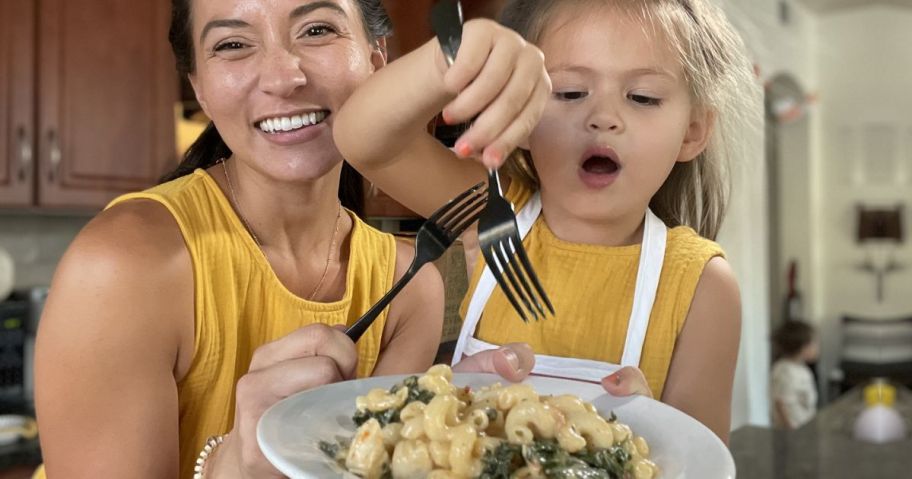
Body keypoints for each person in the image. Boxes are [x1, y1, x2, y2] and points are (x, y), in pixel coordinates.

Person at [32, 1, 535, 478]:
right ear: (200, 88)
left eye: (317, 30)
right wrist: (227, 466)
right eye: (232, 45)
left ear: (378, 60)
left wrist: (456, 425)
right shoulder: (124, 269)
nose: (283, 78)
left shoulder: (411, 287)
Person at [335, 0, 762, 442]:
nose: (604, 118)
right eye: (571, 92)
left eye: (643, 98)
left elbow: (701, 459)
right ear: (523, 109)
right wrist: (458, 54)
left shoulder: (701, 284)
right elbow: (362, 139)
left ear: (692, 131)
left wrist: (649, 431)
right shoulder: (492, 211)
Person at [770, 320, 819, 430]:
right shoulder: (785, 371)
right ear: (802, 347)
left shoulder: (801, 368)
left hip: (804, 426)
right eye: (814, 343)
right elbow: (780, 403)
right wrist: (790, 430)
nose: (816, 347)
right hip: (792, 431)